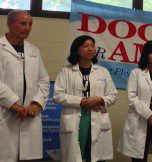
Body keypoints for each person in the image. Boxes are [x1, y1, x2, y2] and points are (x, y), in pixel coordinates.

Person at [54, 35, 117, 162]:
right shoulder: (66, 71)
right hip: (76, 116)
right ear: (77, 49)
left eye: (92, 46)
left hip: (97, 115)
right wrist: (82, 102)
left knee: (96, 156)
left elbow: (113, 95)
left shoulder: (102, 71)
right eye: (85, 46)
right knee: (76, 156)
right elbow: (58, 95)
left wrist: (98, 100)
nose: (90, 49)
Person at [0, 10, 50, 161]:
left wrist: (36, 104)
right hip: (5, 114)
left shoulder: (34, 50)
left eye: (30, 24)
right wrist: (14, 105)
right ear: (10, 24)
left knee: (27, 157)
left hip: (30, 116)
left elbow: (44, 80)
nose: (27, 28)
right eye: (23, 23)